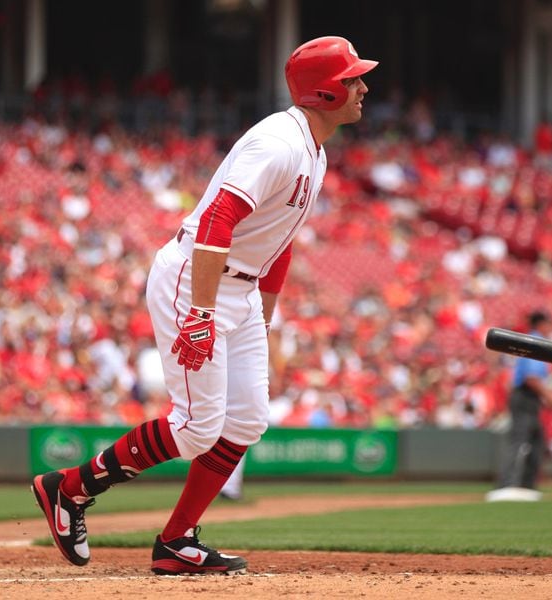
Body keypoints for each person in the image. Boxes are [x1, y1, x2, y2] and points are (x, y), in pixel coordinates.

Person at [31, 36, 378, 574]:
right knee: (196, 427)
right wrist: (201, 311)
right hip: (197, 277)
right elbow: (217, 219)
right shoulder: (278, 144)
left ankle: (176, 541)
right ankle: (69, 489)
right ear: (326, 92)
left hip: (238, 287)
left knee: (246, 420)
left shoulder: (315, 152)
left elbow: (277, 242)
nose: (364, 87)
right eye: (353, 78)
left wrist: (262, 319)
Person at [486, 311, 552, 502]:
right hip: (525, 396)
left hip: (528, 397)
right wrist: (549, 395)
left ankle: (526, 486)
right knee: (519, 441)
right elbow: (531, 378)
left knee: (536, 440)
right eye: (549, 323)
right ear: (541, 324)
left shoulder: (535, 341)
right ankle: (505, 486)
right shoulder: (535, 342)